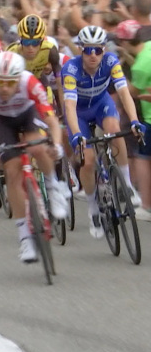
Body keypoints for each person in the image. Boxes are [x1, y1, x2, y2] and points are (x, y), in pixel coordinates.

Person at [0, 52, 69, 263]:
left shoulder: (30, 82)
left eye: (10, 83)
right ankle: (25, 238)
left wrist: (56, 145)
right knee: (12, 171)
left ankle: (54, 187)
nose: (5, 88)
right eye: (0, 82)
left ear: (19, 78)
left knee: (37, 146)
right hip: (2, 120)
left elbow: (52, 120)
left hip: (28, 113)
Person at [62, 25, 146, 239]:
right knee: (87, 160)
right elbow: (70, 107)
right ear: (80, 49)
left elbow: (125, 94)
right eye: (88, 50)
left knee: (114, 129)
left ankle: (126, 185)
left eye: (97, 50)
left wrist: (135, 120)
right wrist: (76, 134)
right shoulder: (71, 69)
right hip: (79, 112)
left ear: (103, 50)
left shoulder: (111, 62)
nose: (93, 55)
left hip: (101, 105)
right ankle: (92, 209)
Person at [116, 20, 151, 221]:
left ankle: (146, 206)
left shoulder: (139, 68)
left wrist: (117, 75)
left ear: (124, 41)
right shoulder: (149, 48)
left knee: (143, 159)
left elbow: (130, 92)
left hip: (149, 117)